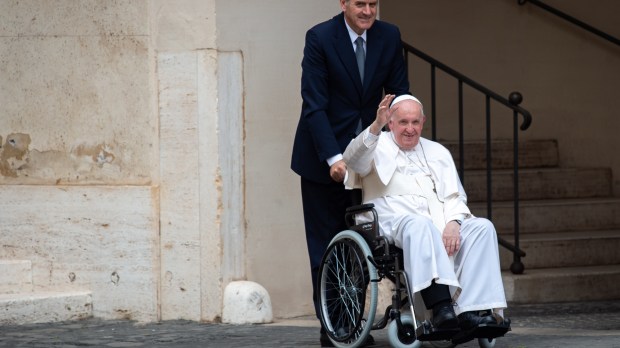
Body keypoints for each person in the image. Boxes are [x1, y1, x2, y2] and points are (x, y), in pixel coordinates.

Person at [290, 1, 409, 345]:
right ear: (343, 3)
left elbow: (400, 95)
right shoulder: (320, 38)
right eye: (360, 3)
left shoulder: (389, 36)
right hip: (322, 160)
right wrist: (333, 159)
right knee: (326, 247)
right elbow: (314, 106)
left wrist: (403, 143)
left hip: (370, 160)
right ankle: (336, 328)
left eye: (373, 3)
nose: (368, 10)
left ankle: (356, 323)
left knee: (367, 248)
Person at [343, 94, 509, 333]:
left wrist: (453, 222)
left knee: (482, 227)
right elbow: (354, 160)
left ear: (423, 122)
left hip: (438, 220)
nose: (410, 129)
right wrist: (375, 126)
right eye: (403, 122)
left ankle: (472, 311)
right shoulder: (376, 144)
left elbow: (454, 196)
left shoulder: (437, 151)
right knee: (420, 225)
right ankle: (441, 309)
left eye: (415, 122)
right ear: (391, 122)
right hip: (393, 220)